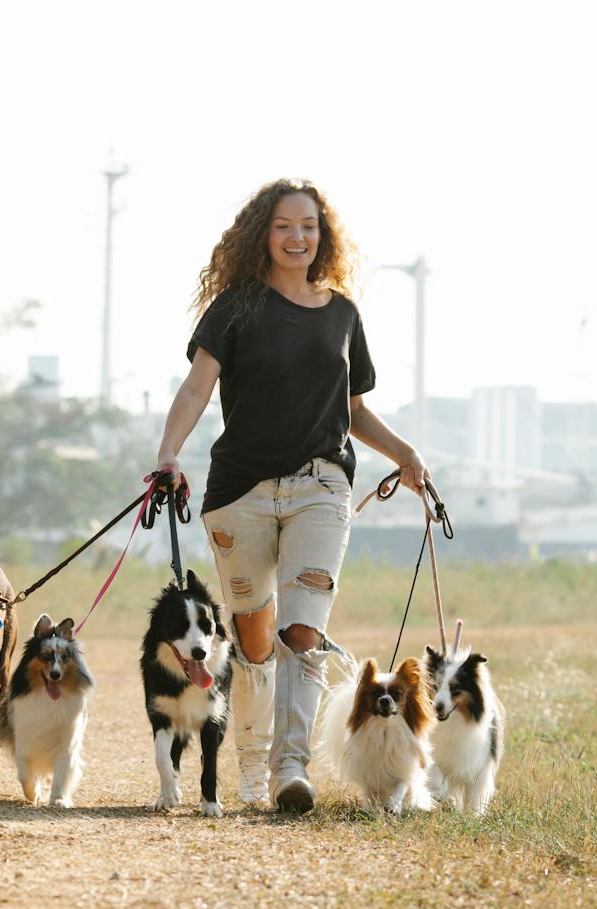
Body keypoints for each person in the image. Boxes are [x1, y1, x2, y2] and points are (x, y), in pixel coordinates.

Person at [155, 177, 431, 813]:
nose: (297, 236)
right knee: (253, 644)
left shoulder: (343, 315)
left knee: (302, 631)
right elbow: (197, 389)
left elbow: (353, 410)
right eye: (284, 225)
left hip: (321, 487)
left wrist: (406, 455)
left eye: (308, 225)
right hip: (240, 493)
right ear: (264, 233)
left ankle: (289, 768)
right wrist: (168, 453)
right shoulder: (235, 308)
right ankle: (250, 765)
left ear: (322, 235)